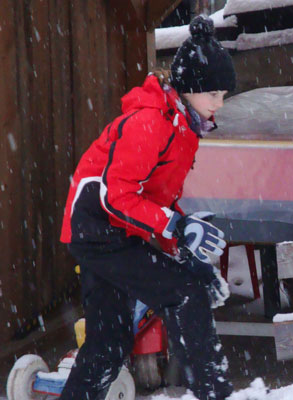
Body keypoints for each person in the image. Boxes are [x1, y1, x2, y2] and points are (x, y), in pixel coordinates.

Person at [59, 16, 236, 399]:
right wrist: (176, 228)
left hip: (110, 229)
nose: (218, 105)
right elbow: (117, 196)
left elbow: (156, 200)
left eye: (223, 95)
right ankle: (215, 392)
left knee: (108, 342)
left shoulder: (182, 127)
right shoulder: (150, 122)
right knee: (184, 292)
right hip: (98, 226)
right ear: (189, 88)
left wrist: (184, 247)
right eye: (213, 95)